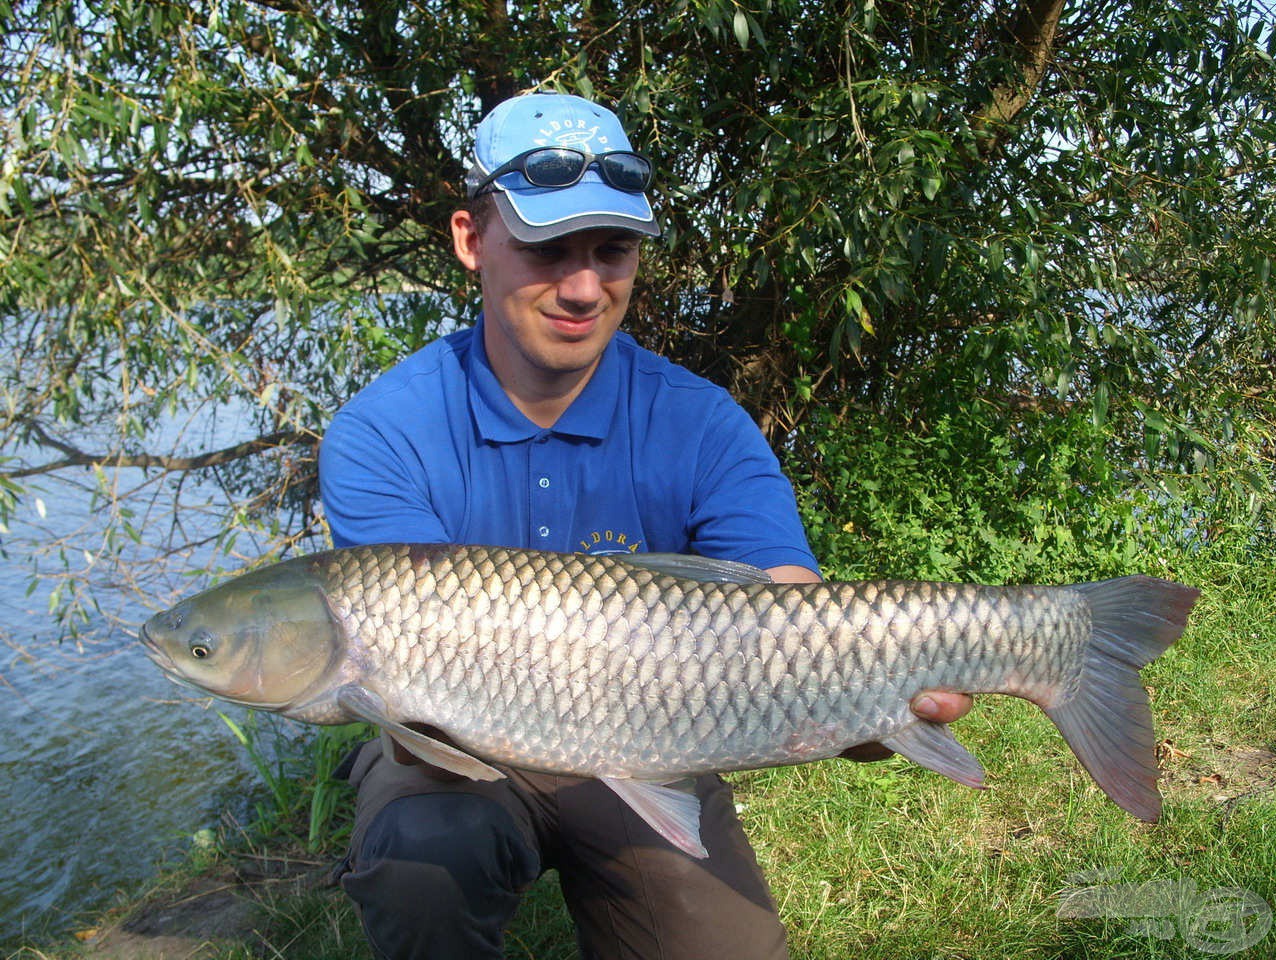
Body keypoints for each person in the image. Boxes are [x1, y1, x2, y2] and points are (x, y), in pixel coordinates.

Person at [318, 92, 971, 960]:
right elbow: (408, 705)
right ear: (472, 241)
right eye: (549, 249)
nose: (585, 288)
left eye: (613, 250)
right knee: (424, 863)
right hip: (458, 759)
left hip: (647, 744)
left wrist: (874, 700)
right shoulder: (384, 432)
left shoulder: (700, 424)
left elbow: (791, 612)